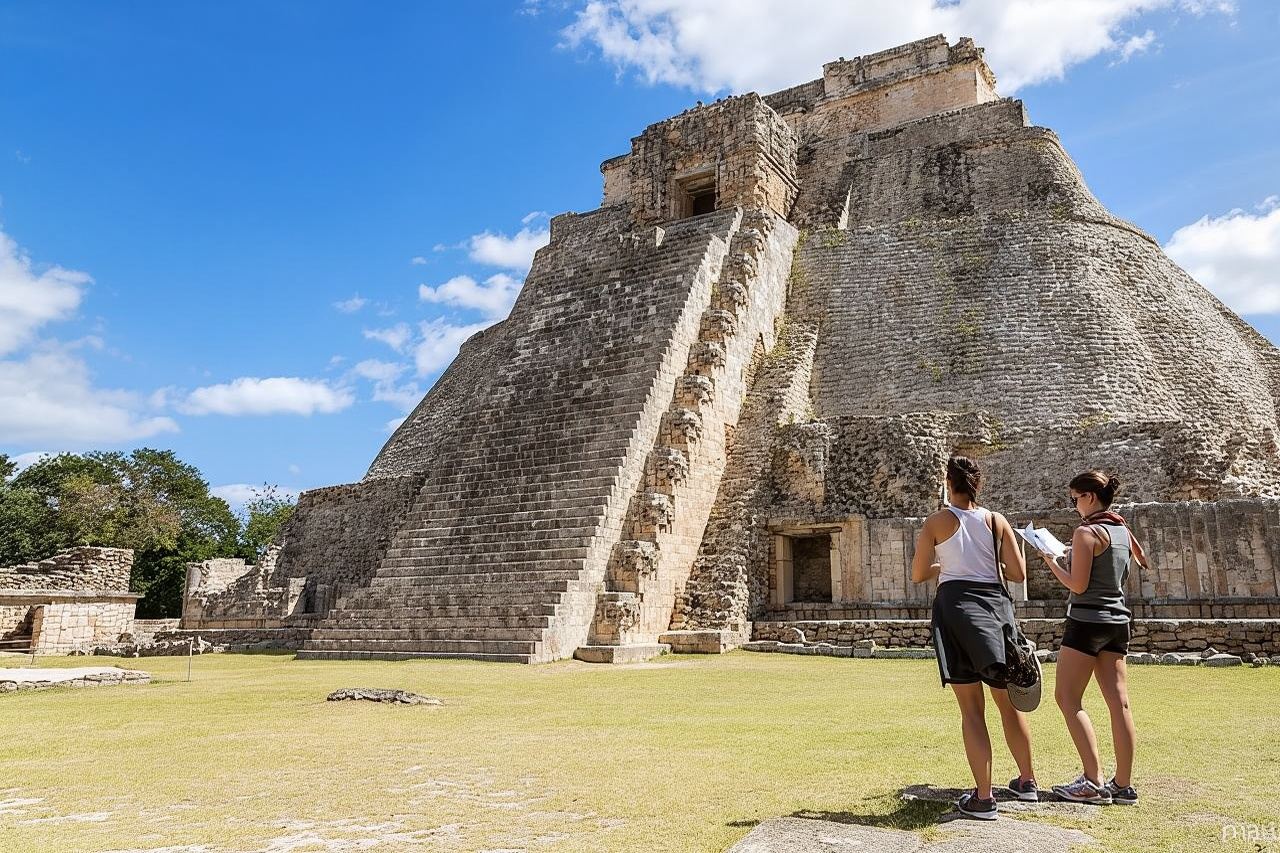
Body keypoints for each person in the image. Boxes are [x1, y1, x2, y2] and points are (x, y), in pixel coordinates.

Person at [912, 455, 1036, 820]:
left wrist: (946, 564)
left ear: (948, 483)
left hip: (958, 610)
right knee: (1007, 702)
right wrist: (985, 563)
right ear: (977, 485)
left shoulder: (936, 521)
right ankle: (1027, 781)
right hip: (995, 610)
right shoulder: (997, 521)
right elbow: (1016, 572)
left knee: (971, 709)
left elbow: (919, 573)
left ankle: (984, 797)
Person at [1038, 471, 1147, 806]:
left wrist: (1051, 561)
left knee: (1067, 698)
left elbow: (1078, 585)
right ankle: (1123, 785)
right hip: (1117, 621)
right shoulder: (1121, 531)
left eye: (1075, 499)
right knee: (1120, 703)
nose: (1074, 506)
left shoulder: (1087, 532)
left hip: (1086, 622)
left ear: (1089, 497)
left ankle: (1092, 780)